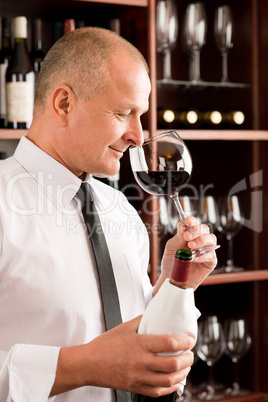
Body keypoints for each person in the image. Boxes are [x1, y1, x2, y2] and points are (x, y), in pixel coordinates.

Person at [0, 27, 217, 401]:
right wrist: (85, 366)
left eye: (142, 115)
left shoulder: (120, 209)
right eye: (123, 113)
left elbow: (133, 339)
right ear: (64, 104)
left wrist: (175, 283)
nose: (138, 135)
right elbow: (103, 358)